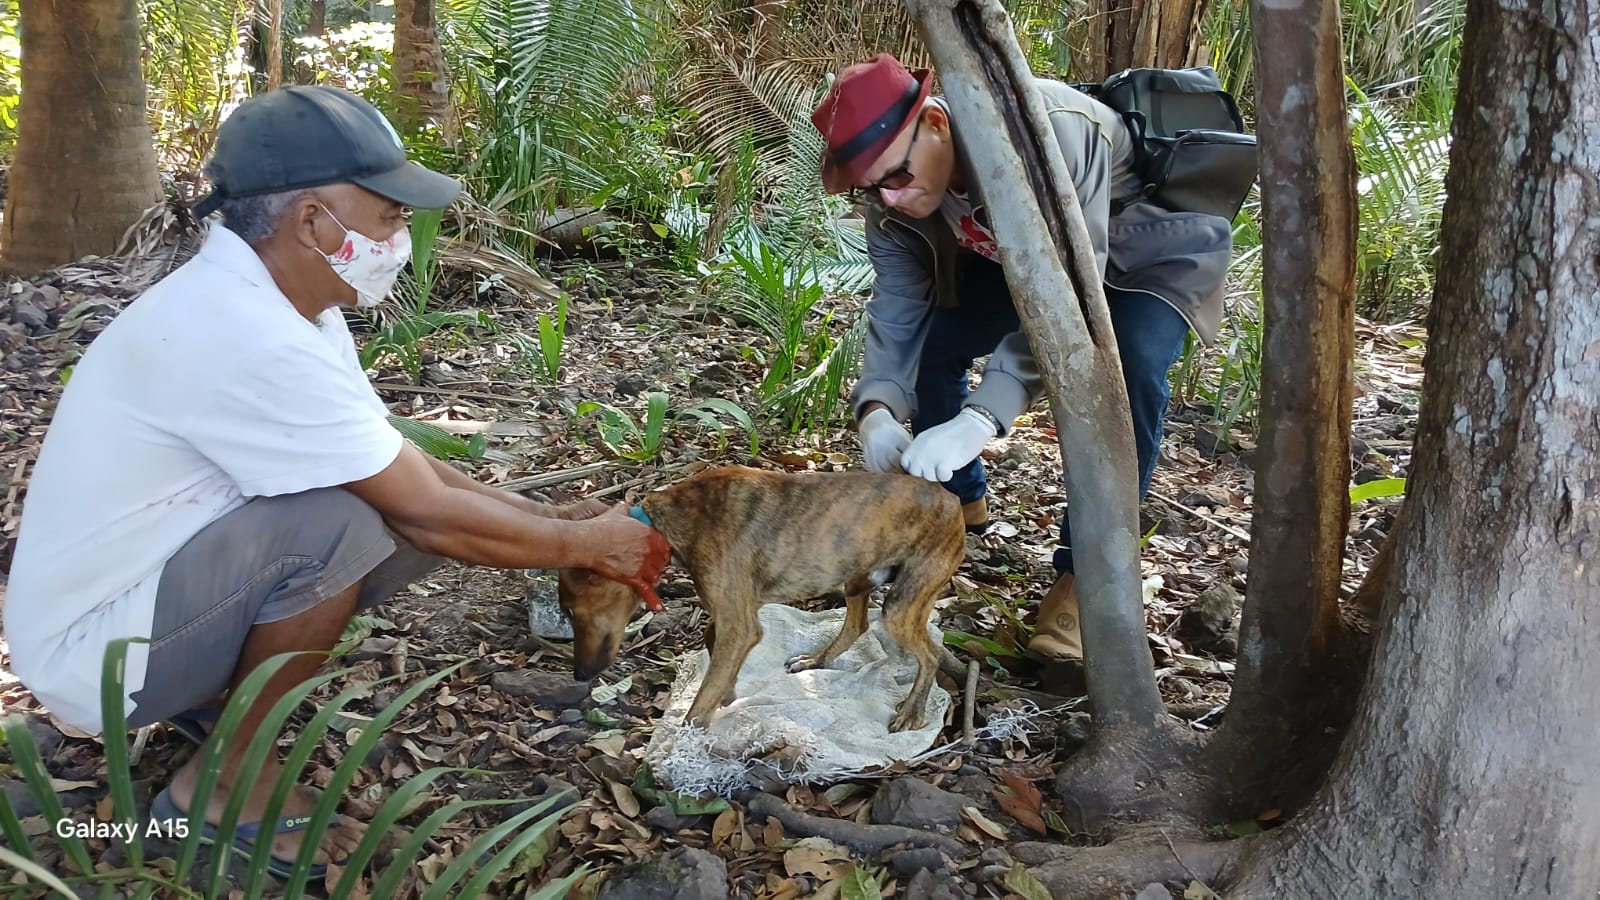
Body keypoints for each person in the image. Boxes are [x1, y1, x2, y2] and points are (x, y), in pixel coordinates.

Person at [3, 86, 670, 877]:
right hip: (99, 660)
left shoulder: (290, 306)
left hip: (148, 593)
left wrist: (544, 514)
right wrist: (590, 543)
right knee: (340, 531)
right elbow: (429, 516)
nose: (402, 235)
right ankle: (213, 793)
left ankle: (212, 700)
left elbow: (395, 459)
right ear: (314, 222)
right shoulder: (243, 333)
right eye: (388, 215)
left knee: (374, 502)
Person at [810, 54, 1232, 663]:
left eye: (896, 175)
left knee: (1128, 371)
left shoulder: (1047, 133)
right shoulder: (892, 196)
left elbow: (1068, 302)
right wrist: (876, 405)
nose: (890, 197)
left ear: (935, 122)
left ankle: (1088, 577)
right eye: (871, 186)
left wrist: (983, 418)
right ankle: (951, 504)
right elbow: (902, 304)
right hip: (1020, 262)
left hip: (1144, 254)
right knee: (937, 335)